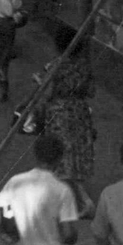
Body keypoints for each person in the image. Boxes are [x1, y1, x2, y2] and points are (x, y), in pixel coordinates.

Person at [42, 26, 97, 220]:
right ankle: (76, 200)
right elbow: (91, 92)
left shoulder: (55, 66)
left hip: (59, 113)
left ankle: (79, 201)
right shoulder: (84, 67)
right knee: (76, 153)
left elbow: (47, 93)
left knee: (61, 156)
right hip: (80, 112)